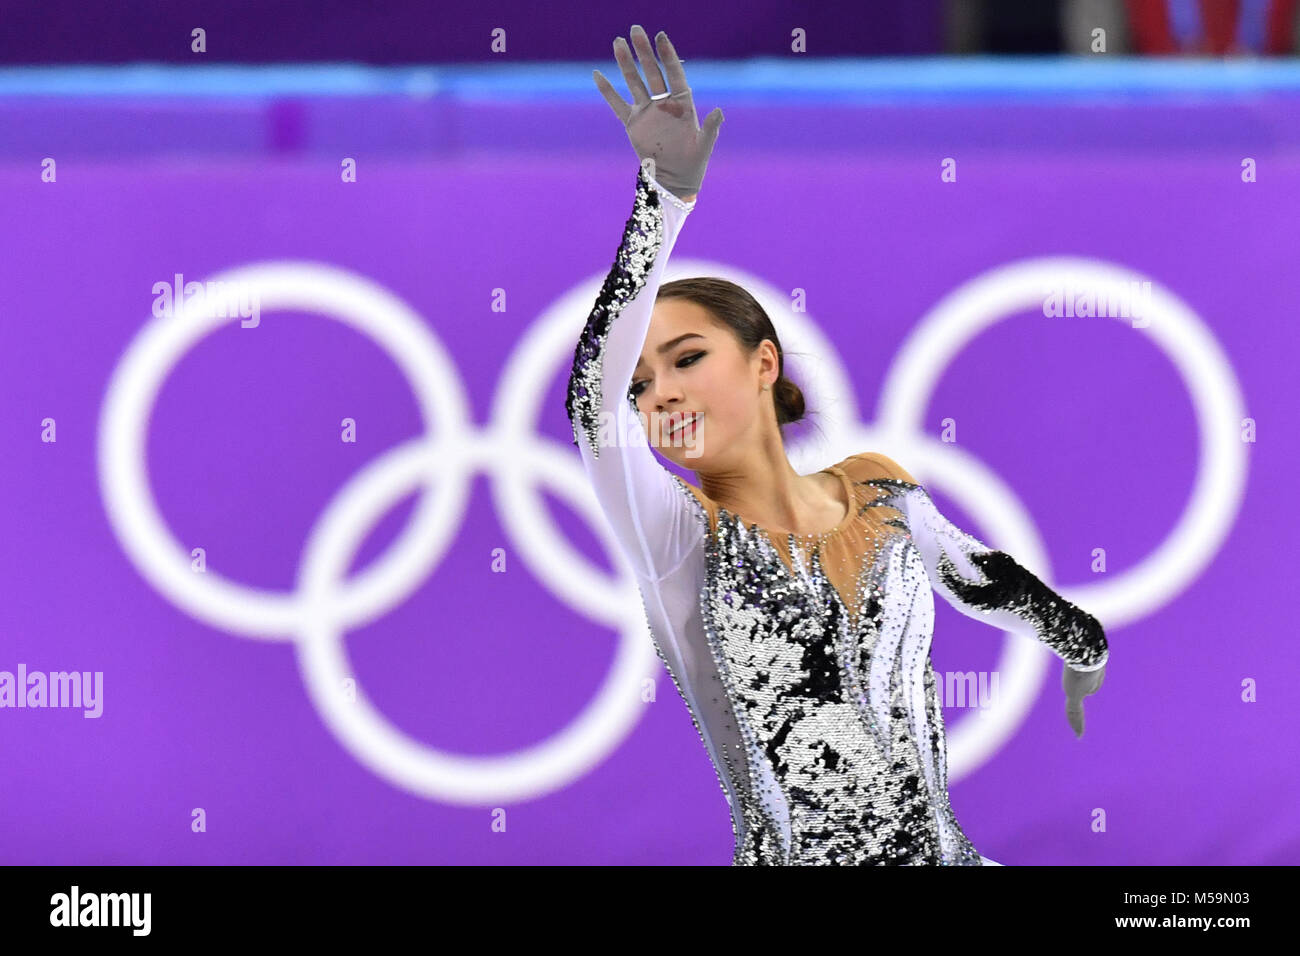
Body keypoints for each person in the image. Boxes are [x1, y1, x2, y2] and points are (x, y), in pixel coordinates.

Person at [566, 25, 1109, 865]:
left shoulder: (879, 490)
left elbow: (980, 577)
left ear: (764, 364)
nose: (659, 392)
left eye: (686, 358)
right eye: (642, 385)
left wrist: (1083, 647)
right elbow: (591, 404)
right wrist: (663, 201)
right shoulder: (673, 539)